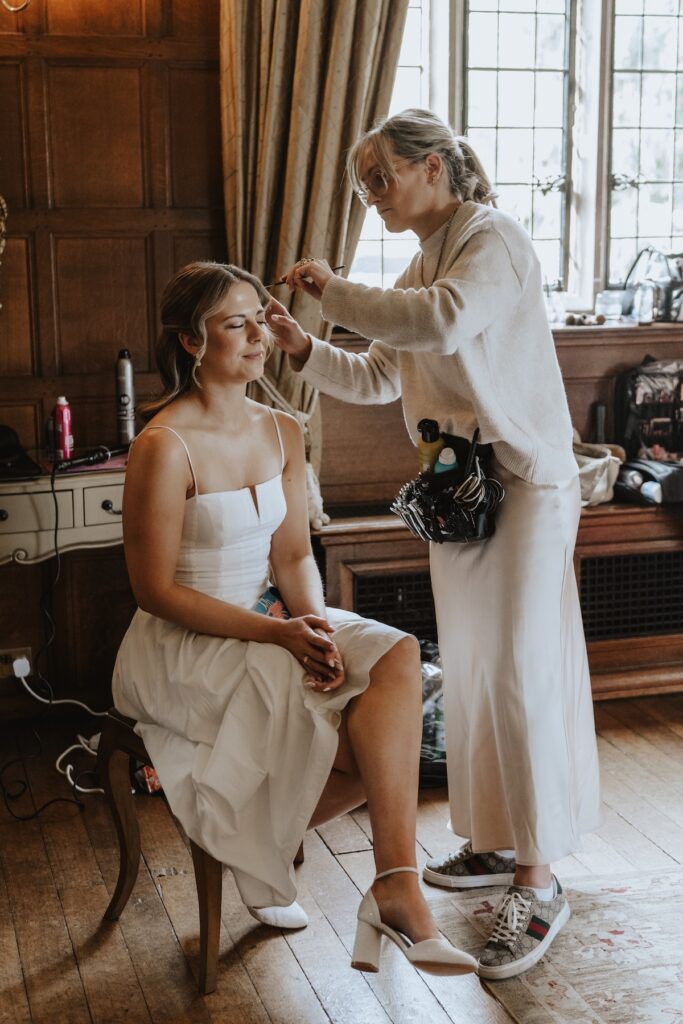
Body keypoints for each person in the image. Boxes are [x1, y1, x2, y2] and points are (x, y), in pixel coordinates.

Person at [267, 108, 603, 980]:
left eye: (379, 177)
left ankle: (538, 877)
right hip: (459, 490)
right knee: (477, 670)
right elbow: (382, 371)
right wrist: (305, 343)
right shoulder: (422, 260)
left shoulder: (489, 239)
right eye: (361, 185)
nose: (370, 195)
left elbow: (443, 322)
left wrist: (330, 291)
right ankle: (494, 843)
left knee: (522, 668)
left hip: (525, 485)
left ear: (434, 169)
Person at [112, 260, 477, 978]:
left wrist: (314, 626)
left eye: (259, 317)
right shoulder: (161, 446)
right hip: (186, 640)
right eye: (233, 324)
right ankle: (255, 845)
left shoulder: (283, 428)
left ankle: (394, 884)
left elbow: (289, 558)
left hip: (274, 612)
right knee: (344, 730)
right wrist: (279, 634)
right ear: (191, 342)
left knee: (396, 661)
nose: (256, 335)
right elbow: (153, 591)